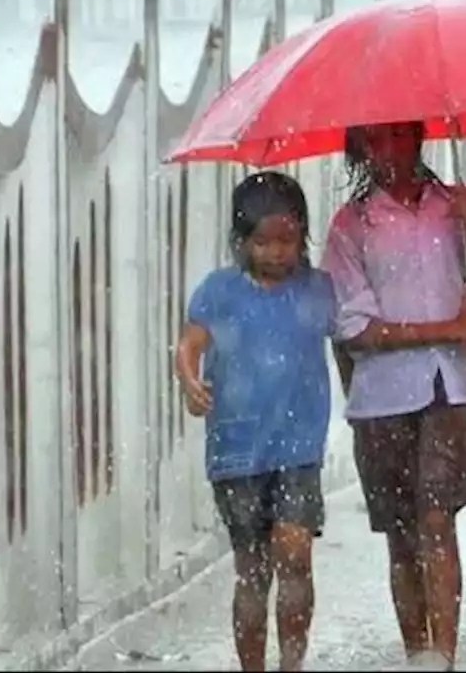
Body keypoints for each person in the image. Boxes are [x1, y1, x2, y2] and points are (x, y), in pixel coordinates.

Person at [321, 121, 466, 670]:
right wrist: (444, 330)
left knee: (437, 520)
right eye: (375, 141)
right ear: (360, 149)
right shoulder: (351, 226)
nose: (389, 151)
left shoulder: (457, 208)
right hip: (380, 397)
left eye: (399, 136)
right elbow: (355, 327)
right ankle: (416, 652)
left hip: (448, 390)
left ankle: (443, 657)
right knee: (402, 533)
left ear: (421, 137)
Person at [175, 171, 336, 672]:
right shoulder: (219, 291)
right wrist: (189, 380)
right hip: (237, 449)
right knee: (252, 569)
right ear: (240, 241)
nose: (276, 252)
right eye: (262, 242)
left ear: (303, 237)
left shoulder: (318, 290)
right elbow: (190, 344)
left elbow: (352, 342)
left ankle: (292, 662)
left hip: (299, 447)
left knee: (295, 557)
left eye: (287, 240)